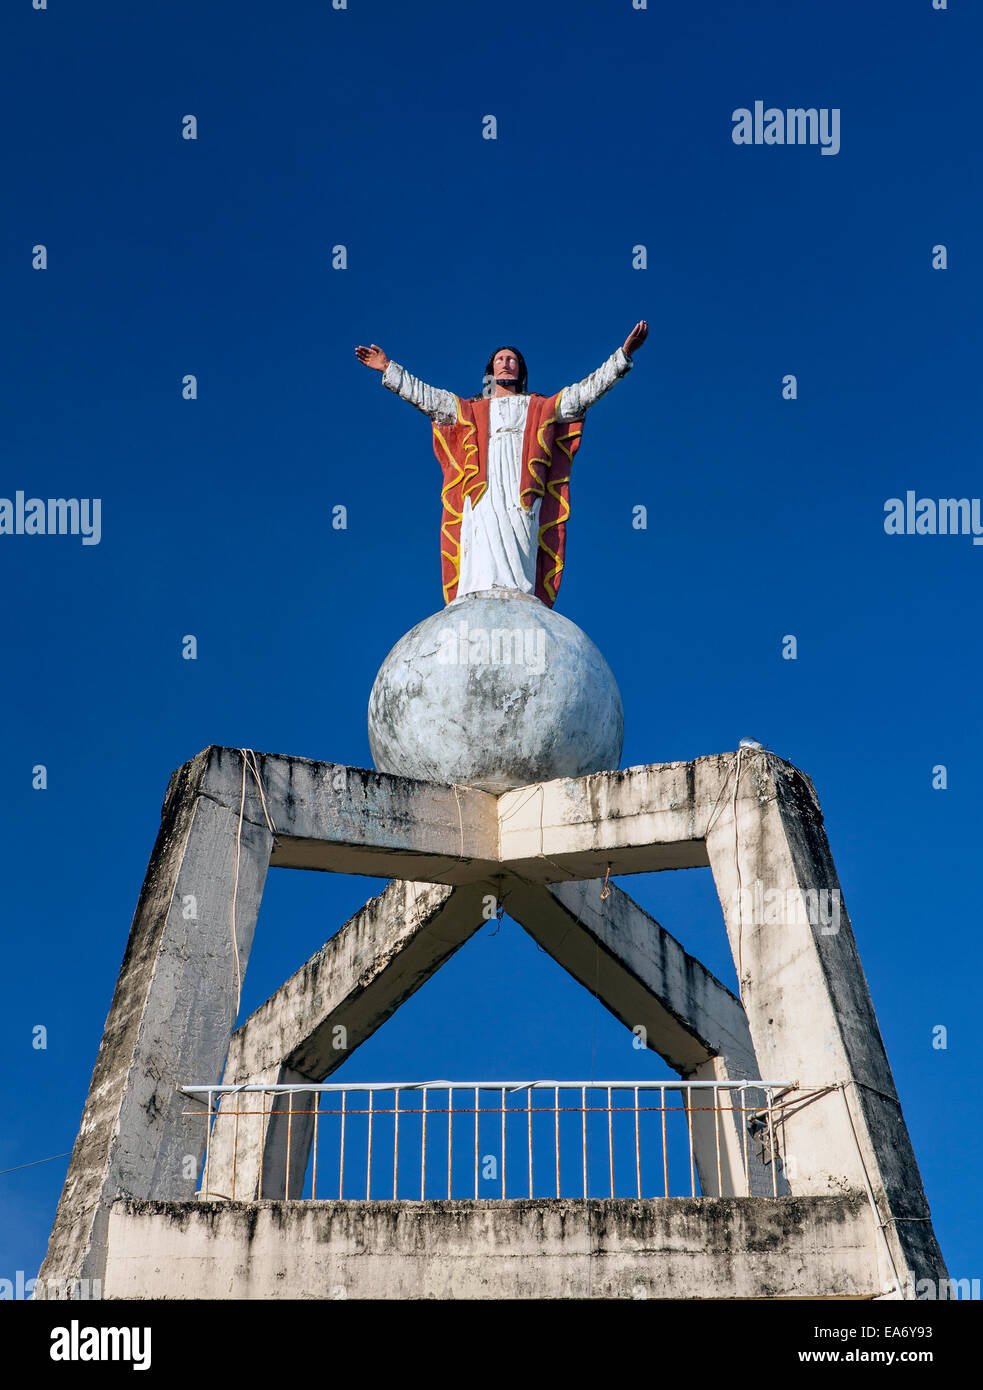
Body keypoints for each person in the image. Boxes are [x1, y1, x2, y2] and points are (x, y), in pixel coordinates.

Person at [355, 322, 647, 606]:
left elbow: (583, 394)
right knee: (480, 535)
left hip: (523, 485)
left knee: (522, 535)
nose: (506, 364)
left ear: (520, 370)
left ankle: (521, 595)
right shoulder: (471, 409)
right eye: (500, 360)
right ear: (491, 371)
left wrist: (622, 357)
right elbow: (429, 399)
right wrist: (388, 369)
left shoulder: (540, 407)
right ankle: (476, 592)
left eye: (512, 360)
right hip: (484, 484)